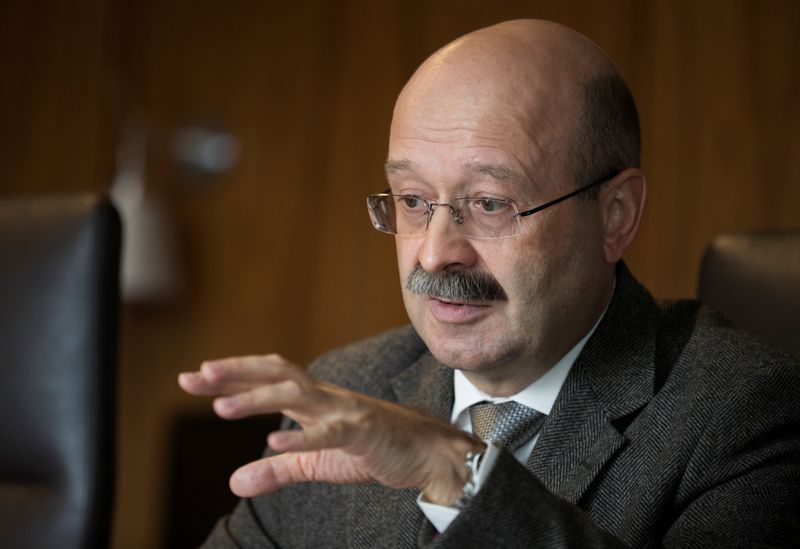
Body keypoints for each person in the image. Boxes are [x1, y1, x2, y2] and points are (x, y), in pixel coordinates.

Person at [178, 19, 800, 548]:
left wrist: (456, 471)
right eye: (414, 201)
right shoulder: (346, 390)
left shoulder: (746, 415)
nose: (436, 254)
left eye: (491, 203)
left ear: (616, 215)